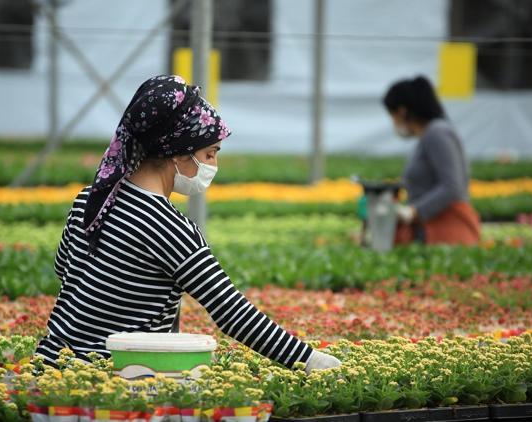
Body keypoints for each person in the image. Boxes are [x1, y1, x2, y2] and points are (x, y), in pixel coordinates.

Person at [35, 75, 341, 374]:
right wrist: (311, 361)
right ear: (178, 154)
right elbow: (232, 313)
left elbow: (65, 269)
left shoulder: (92, 199)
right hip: (109, 378)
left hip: (48, 366)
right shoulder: (167, 227)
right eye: (209, 154)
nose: (212, 165)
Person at [383, 76, 481, 245]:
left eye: (392, 115)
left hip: (448, 230)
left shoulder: (437, 133)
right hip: (433, 230)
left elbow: (452, 187)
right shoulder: (429, 136)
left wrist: (413, 211)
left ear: (402, 111)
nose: (393, 122)